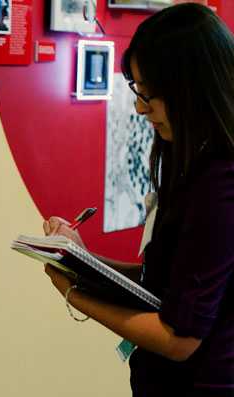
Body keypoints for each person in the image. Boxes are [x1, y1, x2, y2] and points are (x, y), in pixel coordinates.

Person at [42, 4, 234, 396]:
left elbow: (179, 338)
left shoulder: (222, 184)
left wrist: (75, 294)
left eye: (148, 96)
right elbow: (171, 281)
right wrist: (83, 260)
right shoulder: (191, 159)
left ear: (190, 91)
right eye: (137, 92)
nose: (140, 109)